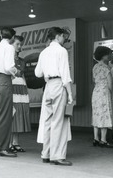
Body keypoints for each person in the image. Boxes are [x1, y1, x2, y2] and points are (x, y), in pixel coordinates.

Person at [35, 27, 74, 166]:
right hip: (58, 84)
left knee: (47, 121)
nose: (64, 40)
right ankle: (57, 156)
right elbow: (65, 74)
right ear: (58, 36)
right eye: (63, 37)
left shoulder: (44, 52)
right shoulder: (61, 51)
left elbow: (37, 73)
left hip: (48, 86)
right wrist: (70, 94)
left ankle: (45, 153)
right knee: (58, 121)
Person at [0, 27, 20, 157]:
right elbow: (8, 67)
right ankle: (3, 147)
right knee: (5, 116)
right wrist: (15, 71)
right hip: (4, 81)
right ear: (12, 37)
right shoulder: (9, 47)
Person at [10, 35, 31, 153]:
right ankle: (8, 142)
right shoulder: (7, 60)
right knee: (11, 114)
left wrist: (26, 92)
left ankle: (15, 142)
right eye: (17, 44)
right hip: (11, 88)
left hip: (21, 90)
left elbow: (22, 76)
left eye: (20, 44)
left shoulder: (22, 61)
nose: (20, 47)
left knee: (18, 114)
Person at [91, 46, 113, 148]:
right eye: (108, 54)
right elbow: (110, 84)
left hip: (96, 92)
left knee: (96, 114)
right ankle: (103, 140)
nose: (109, 56)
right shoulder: (106, 67)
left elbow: (93, 80)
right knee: (105, 114)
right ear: (104, 55)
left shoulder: (95, 67)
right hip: (104, 92)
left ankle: (96, 138)